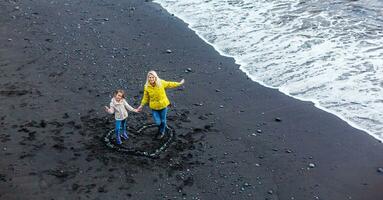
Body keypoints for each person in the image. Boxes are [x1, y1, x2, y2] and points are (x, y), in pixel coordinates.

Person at [137, 70, 184, 138]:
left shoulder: (161, 82)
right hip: (154, 107)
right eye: (150, 77)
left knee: (163, 121)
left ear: (155, 77)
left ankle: (161, 132)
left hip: (163, 106)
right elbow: (145, 98)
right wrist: (141, 106)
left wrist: (179, 83)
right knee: (158, 122)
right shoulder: (146, 87)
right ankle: (162, 127)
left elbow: (170, 84)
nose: (151, 79)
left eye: (153, 77)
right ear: (148, 78)